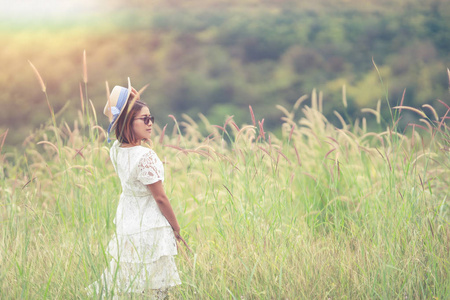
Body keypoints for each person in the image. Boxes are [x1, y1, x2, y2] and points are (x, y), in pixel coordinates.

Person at [87, 78, 182, 299]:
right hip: (149, 225)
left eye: (151, 118)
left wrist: (128, 101)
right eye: (144, 119)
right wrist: (176, 229)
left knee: (131, 281)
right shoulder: (145, 156)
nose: (150, 123)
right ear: (129, 121)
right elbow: (160, 198)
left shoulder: (117, 150)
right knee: (156, 286)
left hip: (128, 222)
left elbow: (111, 115)